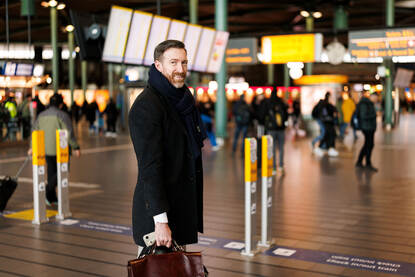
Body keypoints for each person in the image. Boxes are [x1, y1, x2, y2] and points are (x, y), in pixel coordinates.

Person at [128, 40, 207, 255]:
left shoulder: (181, 101)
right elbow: (150, 168)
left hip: (179, 209)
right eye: (173, 62)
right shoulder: (148, 106)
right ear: (158, 65)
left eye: (183, 62)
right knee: (157, 268)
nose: (180, 69)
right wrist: (161, 222)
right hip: (158, 218)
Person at [31, 93, 81, 205]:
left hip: (45, 149)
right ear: (61, 104)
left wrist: (32, 147)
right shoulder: (63, 115)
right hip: (60, 149)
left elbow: (35, 131)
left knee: (51, 171)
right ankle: (48, 189)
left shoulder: (41, 115)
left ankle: (51, 198)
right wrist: (75, 147)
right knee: (62, 171)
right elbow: (69, 133)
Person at [264, 90, 288, 174]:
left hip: (271, 129)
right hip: (281, 129)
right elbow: (286, 114)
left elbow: (264, 114)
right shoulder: (281, 102)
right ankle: (281, 166)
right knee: (281, 147)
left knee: (272, 148)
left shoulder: (268, 103)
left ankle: (273, 168)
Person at [355, 92, 378, 172]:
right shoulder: (365, 104)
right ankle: (367, 163)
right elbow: (363, 115)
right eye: (375, 97)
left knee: (368, 145)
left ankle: (360, 161)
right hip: (367, 127)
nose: (376, 99)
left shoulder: (369, 104)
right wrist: (374, 115)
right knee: (369, 145)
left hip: (370, 127)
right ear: (372, 97)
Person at [314, 92, 339, 157]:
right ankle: (321, 147)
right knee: (326, 134)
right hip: (326, 122)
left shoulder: (328, 104)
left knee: (329, 134)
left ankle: (329, 148)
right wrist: (331, 117)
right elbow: (325, 114)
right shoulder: (324, 104)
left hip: (328, 122)